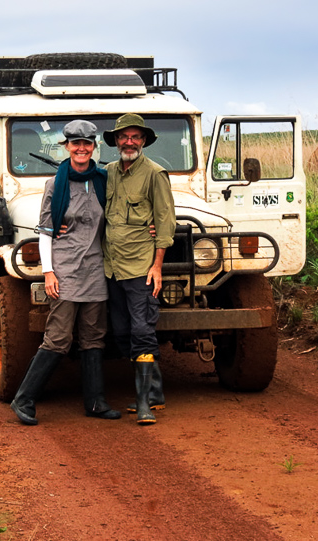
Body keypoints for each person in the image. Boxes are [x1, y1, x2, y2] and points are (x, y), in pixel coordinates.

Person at [10, 120, 121, 425]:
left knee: (94, 337)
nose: (81, 148)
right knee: (58, 337)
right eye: (76, 143)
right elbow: (46, 232)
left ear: (94, 146)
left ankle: (96, 402)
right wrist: (49, 272)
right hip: (65, 270)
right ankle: (24, 399)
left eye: (87, 143)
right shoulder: (55, 185)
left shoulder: (103, 180)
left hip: (96, 269)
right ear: (67, 147)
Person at [102, 113, 176, 425]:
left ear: (144, 141)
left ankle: (144, 403)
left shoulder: (155, 174)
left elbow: (165, 223)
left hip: (141, 268)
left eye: (135, 137)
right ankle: (155, 391)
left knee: (143, 332)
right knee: (121, 332)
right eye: (124, 136)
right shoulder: (108, 172)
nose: (129, 142)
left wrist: (157, 266)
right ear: (116, 141)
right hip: (112, 268)